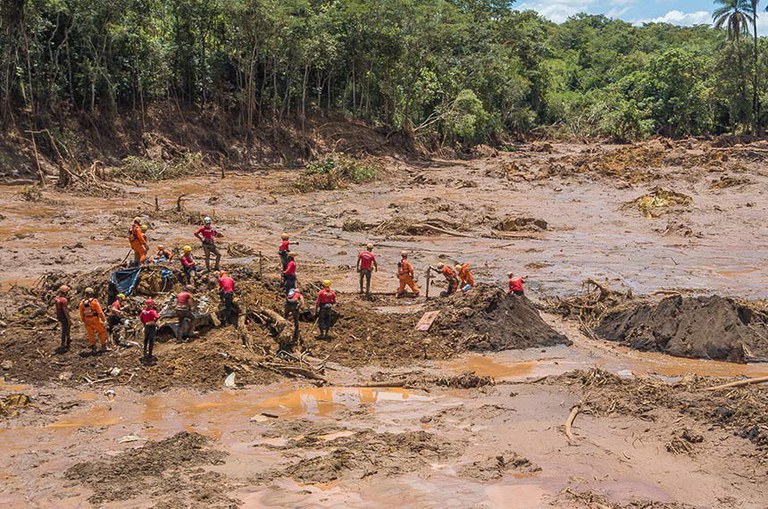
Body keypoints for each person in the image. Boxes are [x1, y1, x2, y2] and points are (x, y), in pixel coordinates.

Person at [79, 287, 108, 353]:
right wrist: (104, 320)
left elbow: (81, 313)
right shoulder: (94, 302)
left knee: (91, 334)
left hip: (87, 320)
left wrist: (84, 321)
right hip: (95, 320)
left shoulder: (82, 303)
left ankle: (93, 349)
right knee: (102, 331)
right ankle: (104, 347)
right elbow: (100, 312)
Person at [54, 285, 72, 352]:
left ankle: (68, 339)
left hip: (59, 315)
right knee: (65, 328)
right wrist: (68, 318)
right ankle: (63, 344)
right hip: (63, 315)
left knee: (67, 327)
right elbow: (65, 310)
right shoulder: (64, 300)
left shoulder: (57, 298)